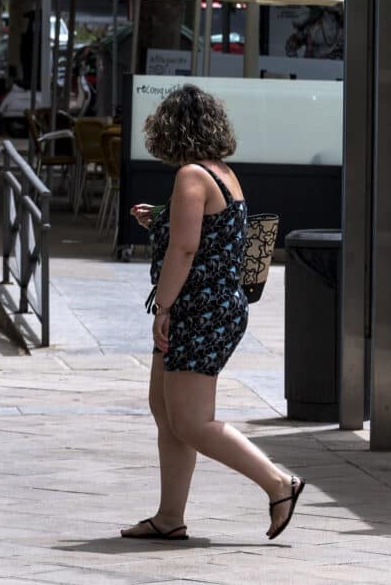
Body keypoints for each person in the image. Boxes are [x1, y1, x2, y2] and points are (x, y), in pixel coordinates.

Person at [122, 85, 302, 542]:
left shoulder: (190, 176)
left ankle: (279, 483)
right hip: (215, 308)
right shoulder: (220, 173)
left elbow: (185, 248)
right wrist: (160, 217)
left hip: (199, 311)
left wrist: (162, 307)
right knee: (166, 411)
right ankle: (168, 517)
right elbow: (204, 226)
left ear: (170, 130)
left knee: (190, 420)